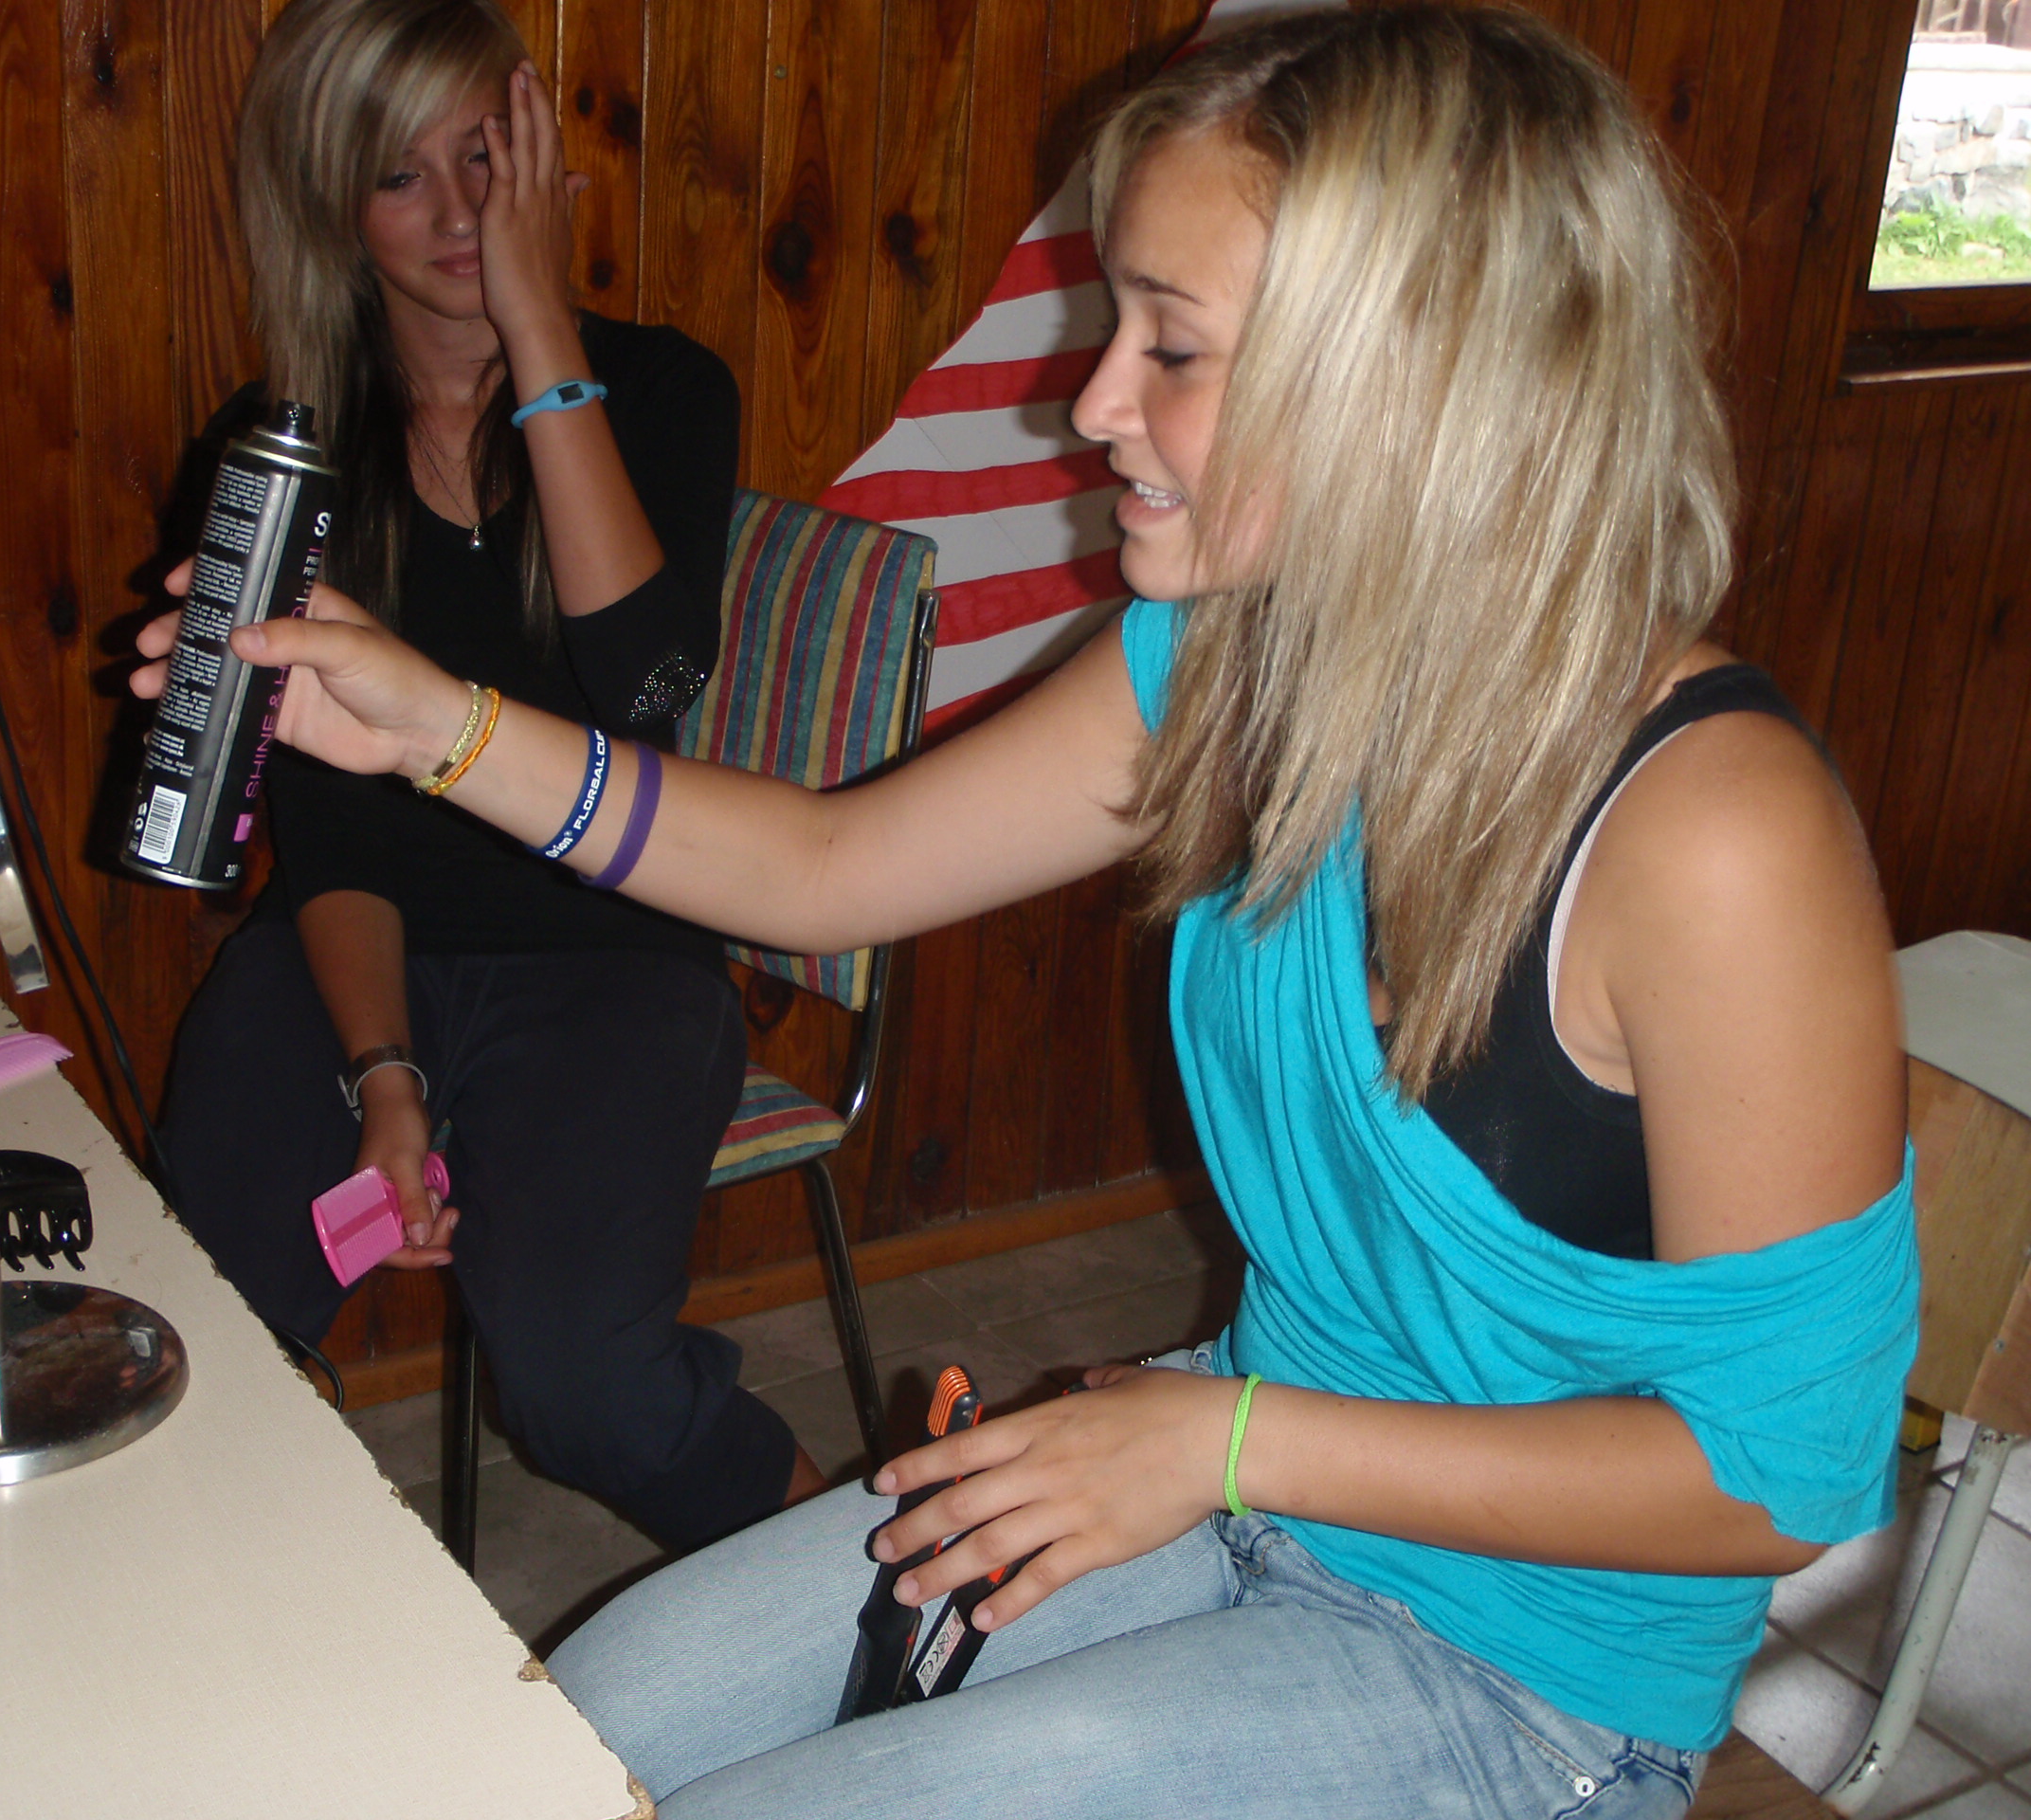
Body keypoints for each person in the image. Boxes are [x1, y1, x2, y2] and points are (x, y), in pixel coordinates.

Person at [136, 8, 1919, 1815]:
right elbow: (823, 866)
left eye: (1174, 345)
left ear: (1419, 370)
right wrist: (434, 727)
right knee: (578, 1723)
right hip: (1246, 1474)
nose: (1095, 403)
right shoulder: (1229, 659)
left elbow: (1784, 1481)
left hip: (1526, 1681)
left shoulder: (1713, 837)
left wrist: (1228, 1440)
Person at [154, 0, 824, 1555]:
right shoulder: (279, 449)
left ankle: (870, 1584)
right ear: (334, 205)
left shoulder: (665, 388)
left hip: (616, 950)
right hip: (355, 941)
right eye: (402, 177)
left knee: (587, 1391)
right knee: (199, 1329)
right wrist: (385, 1079)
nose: (460, 213)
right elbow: (324, 827)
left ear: (541, 162)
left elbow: (647, 688)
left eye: (484, 160)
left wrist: (540, 336)